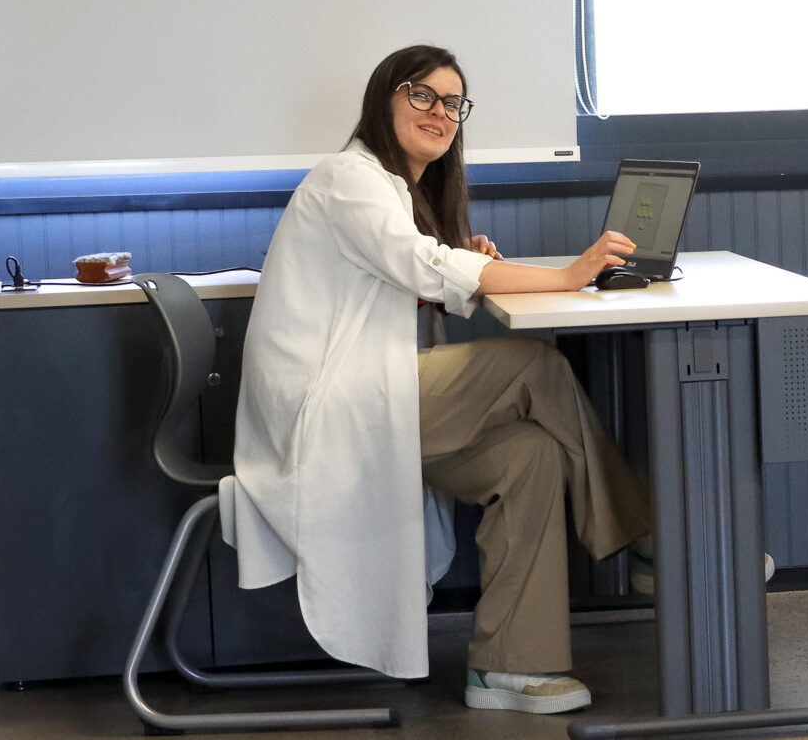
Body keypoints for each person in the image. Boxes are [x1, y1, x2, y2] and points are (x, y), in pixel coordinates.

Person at [228, 45, 657, 715]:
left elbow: (417, 269)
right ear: (384, 100)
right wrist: (568, 276)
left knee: (532, 454)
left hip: (377, 398)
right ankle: (646, 542)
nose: (439, 111)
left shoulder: (403, 193)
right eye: (421, 94)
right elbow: (422, 266)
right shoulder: (350, 176)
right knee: (538, 367)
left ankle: (509, 667)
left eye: (453, 102)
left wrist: (462, 255)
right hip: (333, 410)